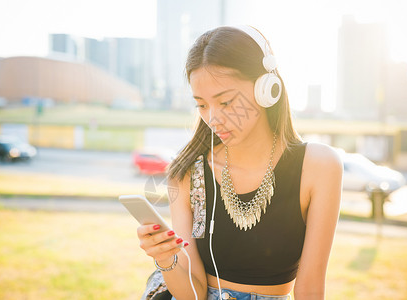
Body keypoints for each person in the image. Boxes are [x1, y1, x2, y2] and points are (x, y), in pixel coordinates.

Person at [136, 25, 342, 300]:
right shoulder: (188, 172)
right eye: (202, 105)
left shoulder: (319, 167)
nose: (213, 118)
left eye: (226, 102)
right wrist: (165, 258)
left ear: (266, 89)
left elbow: (310, 289)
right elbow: (191, 294)